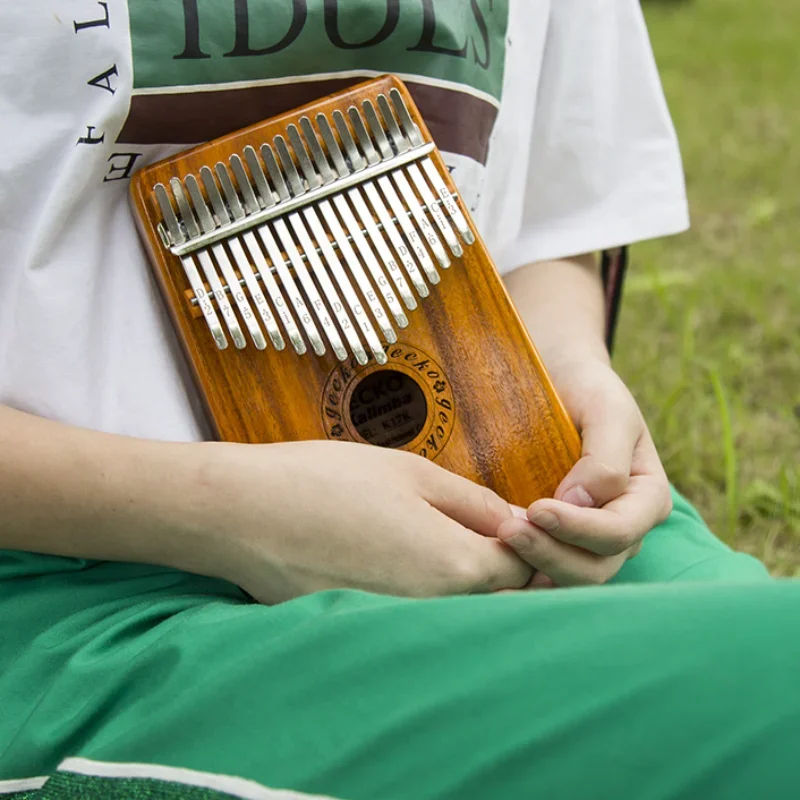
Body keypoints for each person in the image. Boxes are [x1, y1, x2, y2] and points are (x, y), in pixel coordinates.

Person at [1, 1, 797, 798]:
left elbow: (545, 223)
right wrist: (227, 510)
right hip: (81, 610)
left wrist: (566, 371)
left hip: (518, 518)